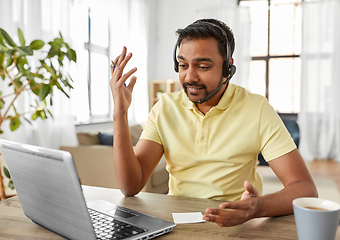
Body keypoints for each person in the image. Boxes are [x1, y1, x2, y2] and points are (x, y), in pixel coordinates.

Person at [109, 18, 318, 227]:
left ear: (228, 68)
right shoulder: (164, 108)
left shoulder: (257, 109)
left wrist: (257, 207)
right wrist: (120, 112)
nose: (190, 77)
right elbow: (130, 186)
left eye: (202, 66)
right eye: (182, 65)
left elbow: (305, 188)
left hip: (236, 226)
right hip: (178, 225)